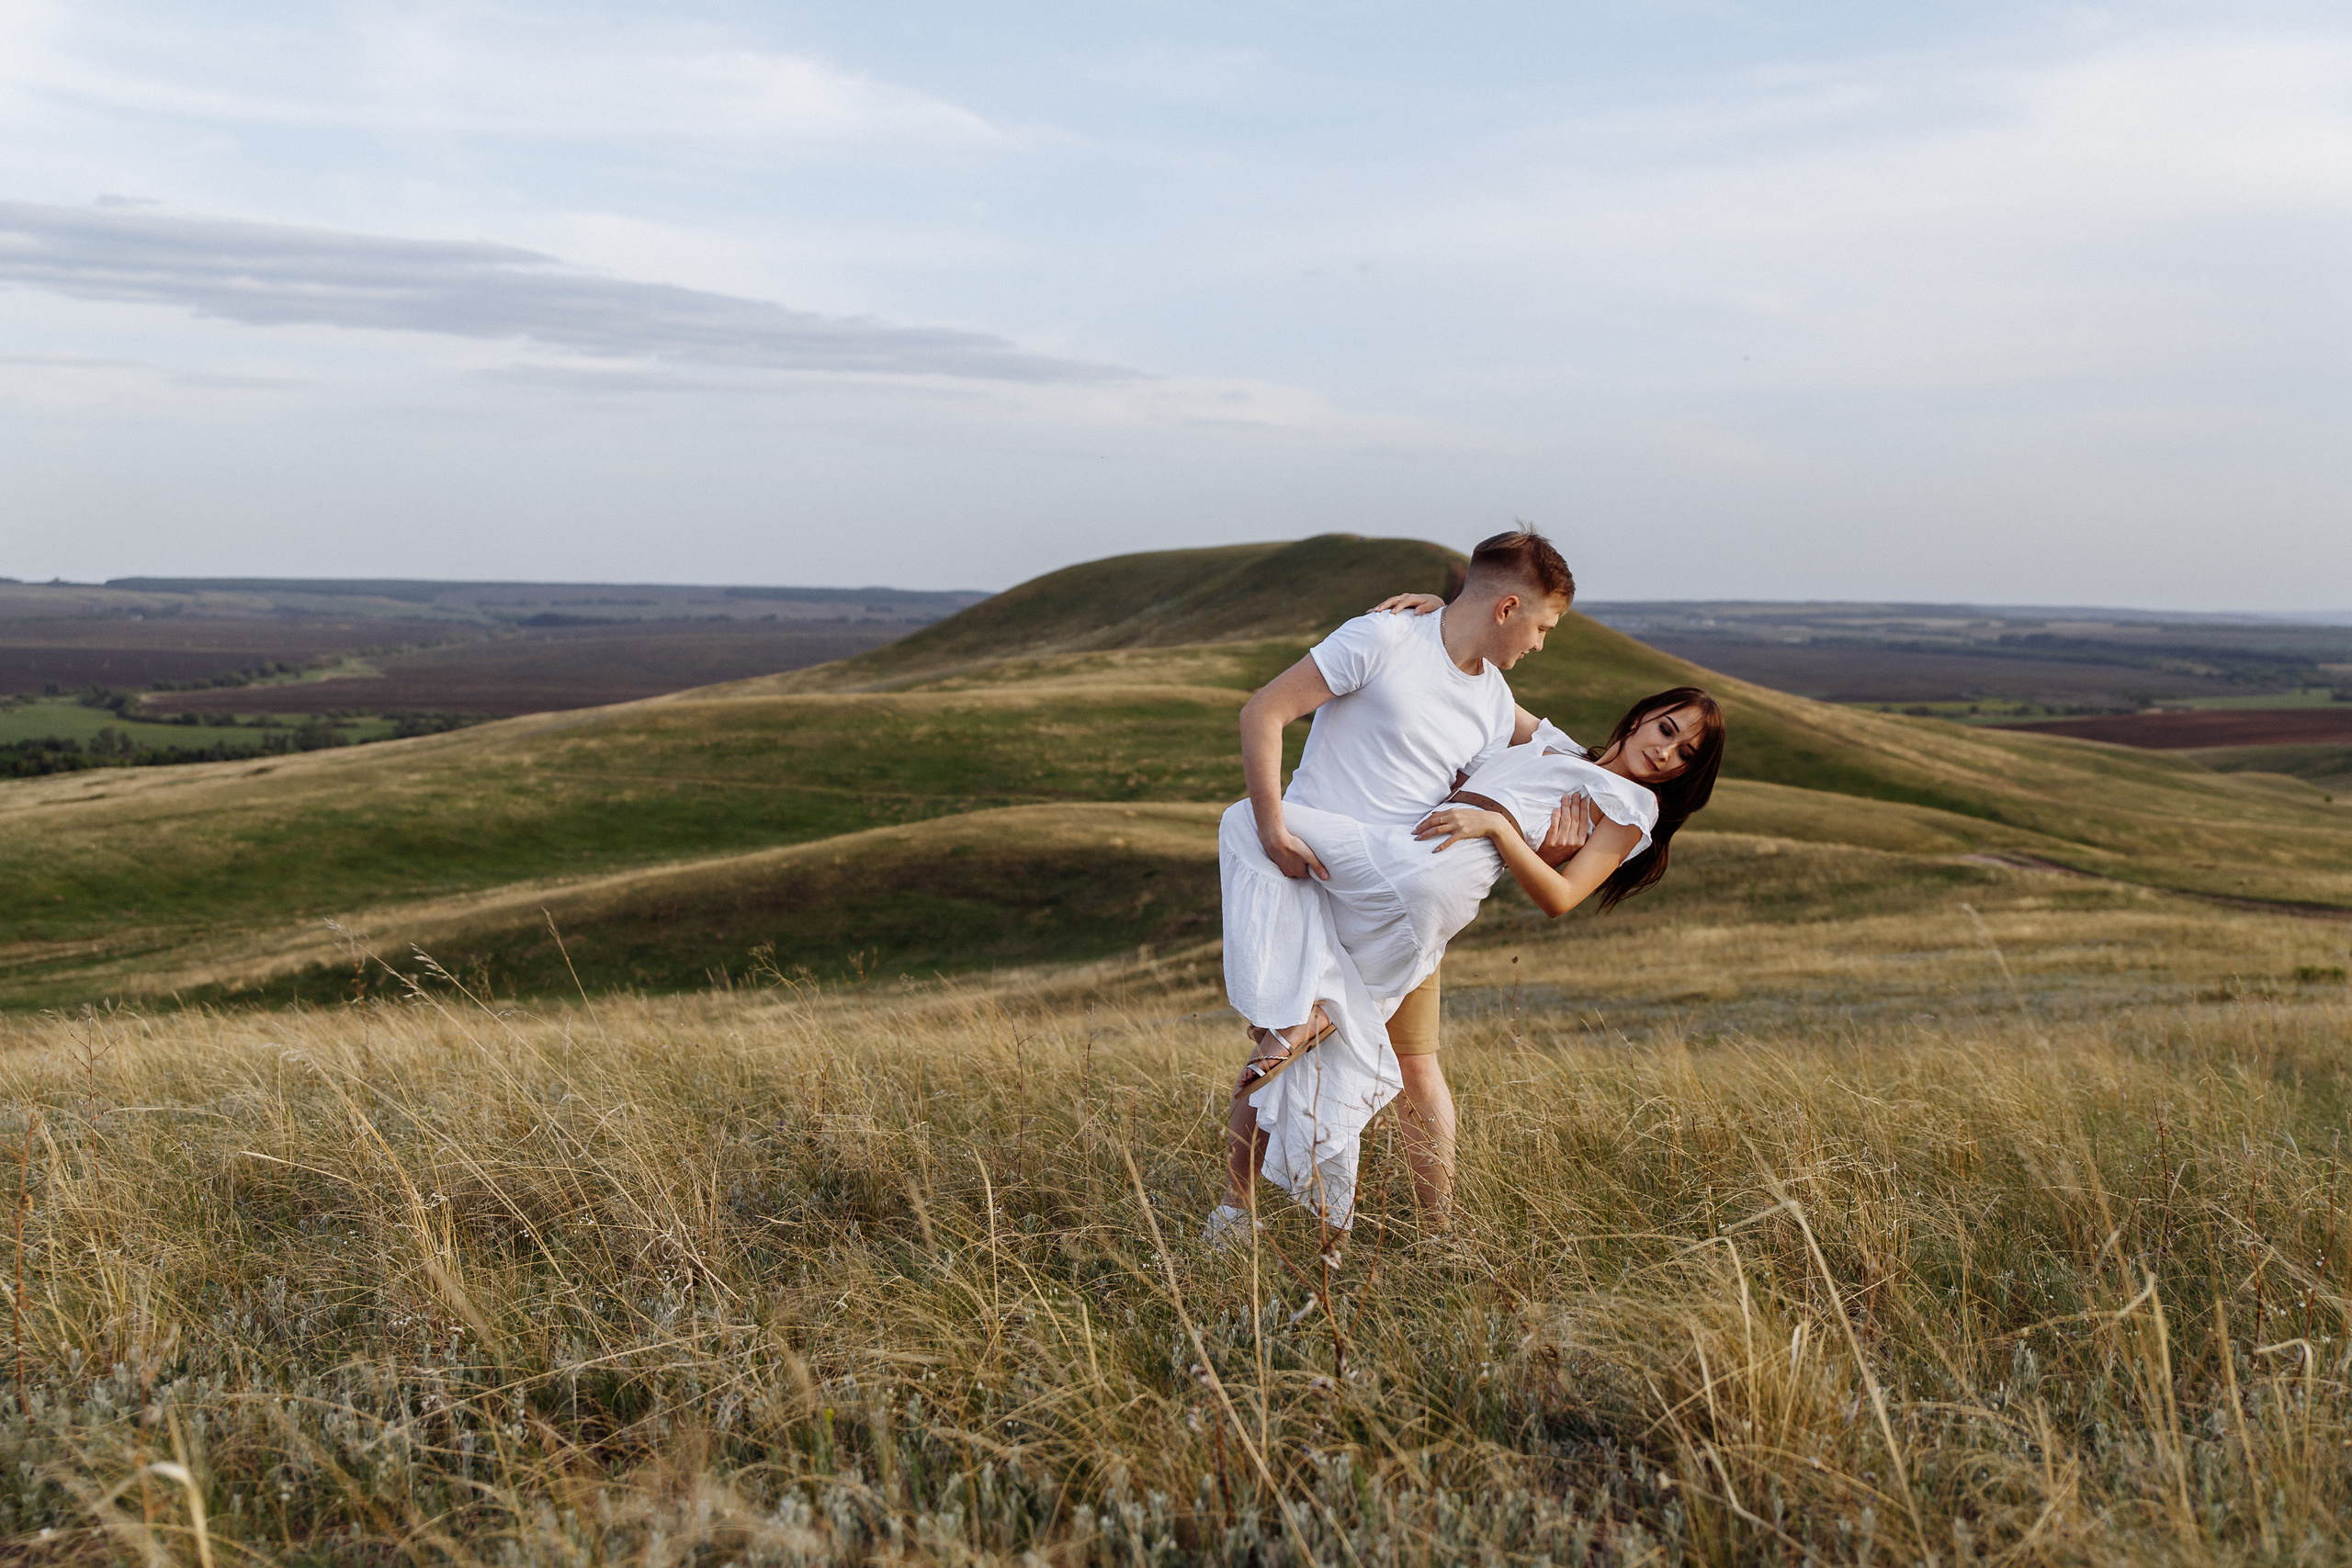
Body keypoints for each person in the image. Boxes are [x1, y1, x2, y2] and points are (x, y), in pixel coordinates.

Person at [1211, 685, 1724, 1247]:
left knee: (1251, 824)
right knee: (1385, 1058)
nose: (1666, 753)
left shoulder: (1631, 806)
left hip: (1425, 886)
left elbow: (1560, 896)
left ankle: (1410, 1218)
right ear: (1642, 715)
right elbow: (1480, 682)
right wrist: (1425, 626)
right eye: (1666, 730)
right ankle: (1278, 1203)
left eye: (1684, 755)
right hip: (1398, 865)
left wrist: (1501, 830)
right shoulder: (1555, 746)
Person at [1207, 530, 1578, 1246]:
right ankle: (1234, 1217)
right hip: (1314, 882)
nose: (1540, 645)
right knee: (1279, 1048)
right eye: (1543, 627)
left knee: (1417, 1066)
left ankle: (1438, 1235)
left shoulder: (1495, 702)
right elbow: (1264, 711)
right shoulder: (1382, 637)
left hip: (1399, 911)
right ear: (1507, 607)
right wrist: (1273, 828)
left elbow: (1574, 756)